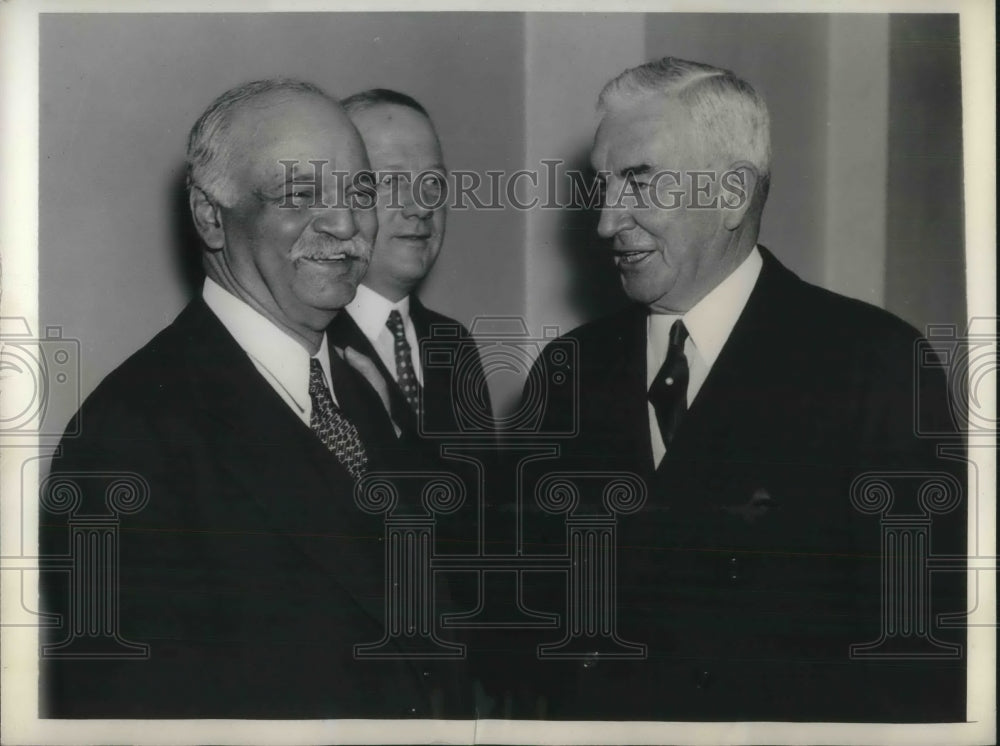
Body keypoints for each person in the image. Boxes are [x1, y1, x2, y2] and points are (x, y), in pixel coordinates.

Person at [520, 57, 966, 721]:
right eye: (603, 186)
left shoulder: (874, 363)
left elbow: (921, 656)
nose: (607, 222)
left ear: (731, 194)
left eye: (639, 183)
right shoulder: (567, 372)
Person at [40, 78, 467, 718]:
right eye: (300, 195)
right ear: (211, 216)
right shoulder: (125, 440)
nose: (347, 224)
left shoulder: (362, 392)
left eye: (359, 192)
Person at [329, 88, 492, 441]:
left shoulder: (454, 345)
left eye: (432, 182)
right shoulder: (310, 346)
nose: (421, 206)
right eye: (391, 181)